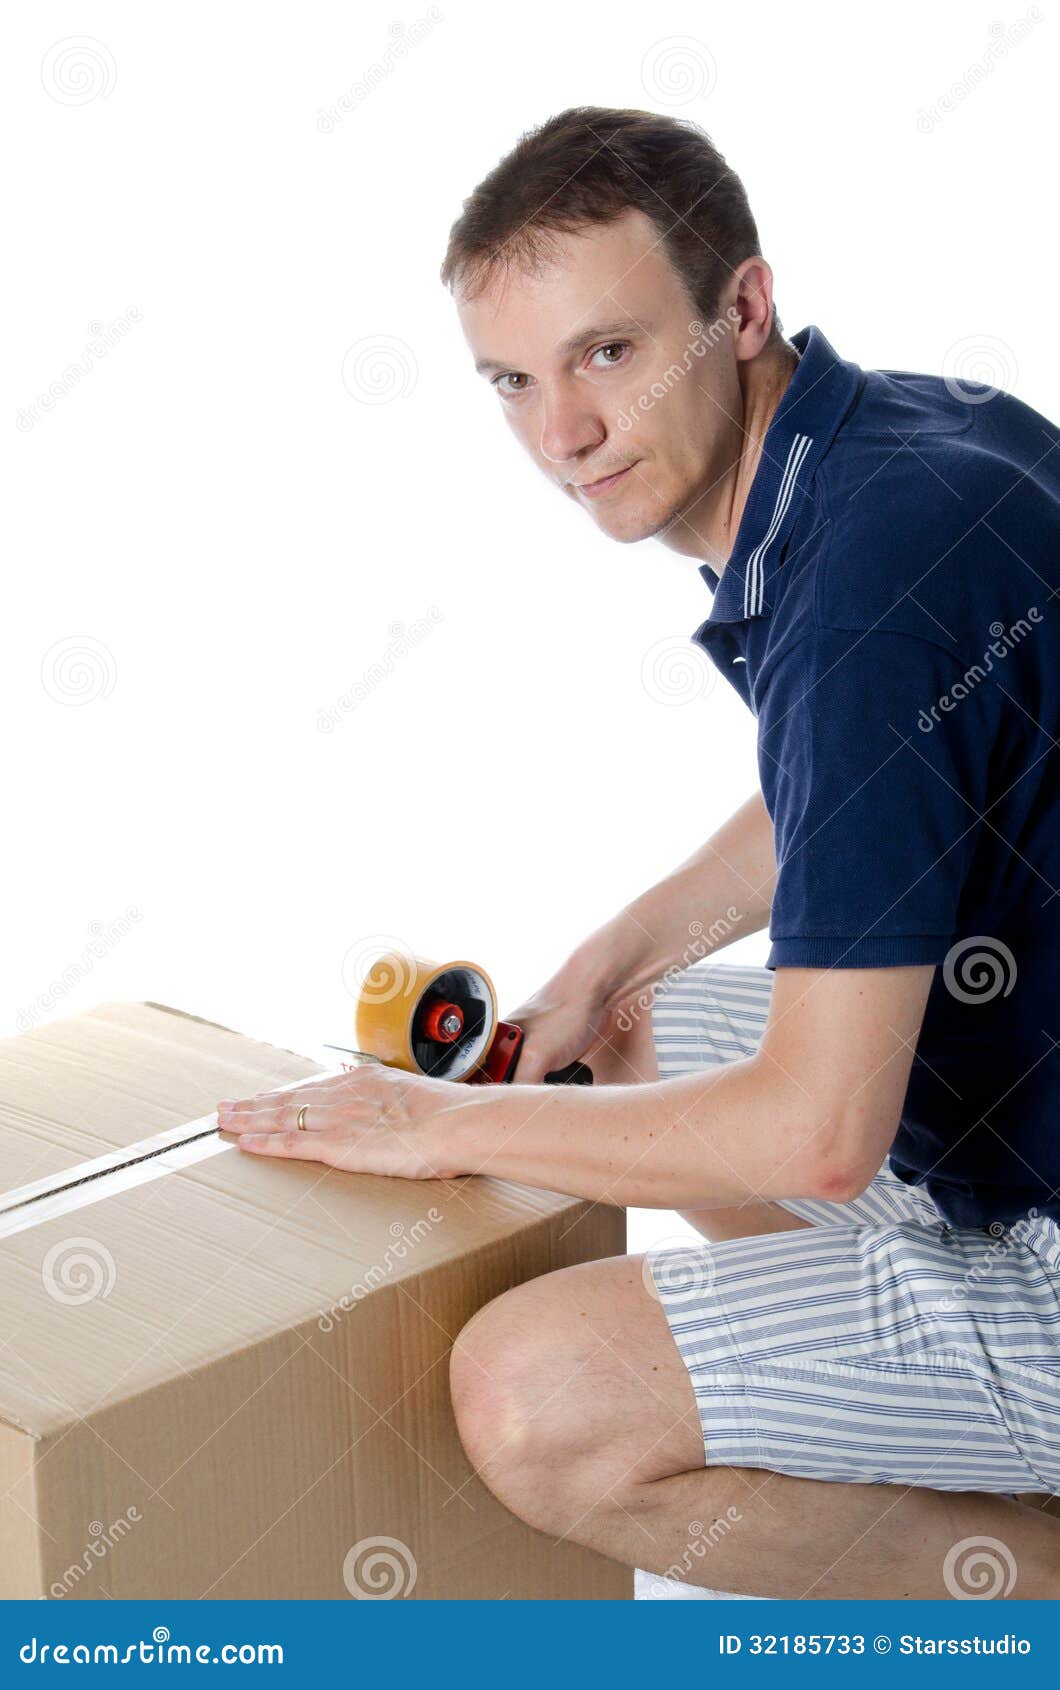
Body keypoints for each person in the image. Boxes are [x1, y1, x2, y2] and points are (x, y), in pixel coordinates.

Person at [217, 107, 1060, 1599]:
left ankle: (1018, 1568)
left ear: (741, 306)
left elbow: (817, 1134)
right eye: (514, 383)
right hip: (1025, 1095)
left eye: (608, 353)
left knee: (537, 1403)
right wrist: (614, 959)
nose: (563, 437)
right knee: (632, 1033)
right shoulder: (925, 441)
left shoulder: (867, 598)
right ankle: (902, 1398)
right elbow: (885, 782)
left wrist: (433, 1123)